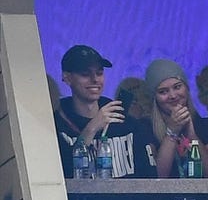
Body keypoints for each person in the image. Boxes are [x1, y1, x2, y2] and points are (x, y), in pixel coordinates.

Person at [54, 44, 158, 180]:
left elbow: (150, 178)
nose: (95, 79)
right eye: (85, 74)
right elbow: (60, 177)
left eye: (99, 73)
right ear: (67, 78)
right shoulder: (56, 123)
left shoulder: (126, 123)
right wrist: (92, 128)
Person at [145, 59, 208, 179]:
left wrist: (192, 136)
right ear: (154, 97)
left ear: (187, 88)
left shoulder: (205, 125)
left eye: (177, 87)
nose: (172, 96)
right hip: (166, 197)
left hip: (202, 197)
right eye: (163, 92)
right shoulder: (145, 127)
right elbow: (157, 178)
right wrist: (172, 132)